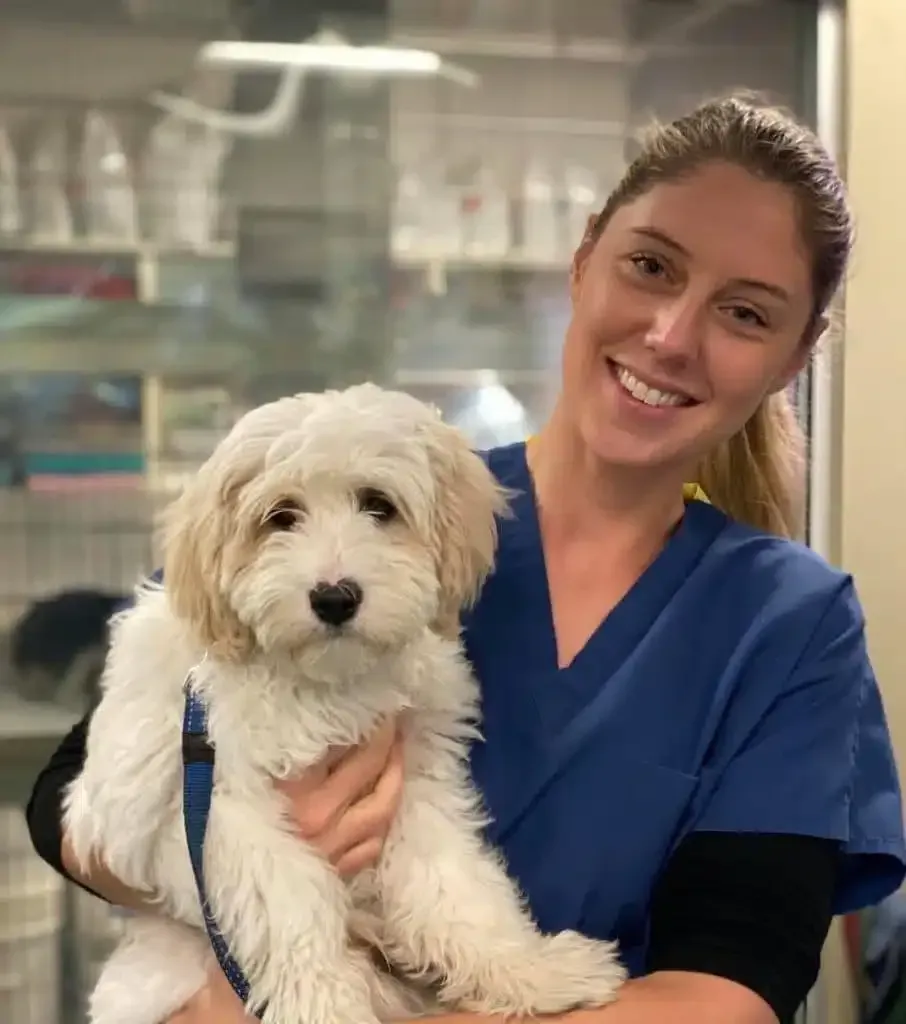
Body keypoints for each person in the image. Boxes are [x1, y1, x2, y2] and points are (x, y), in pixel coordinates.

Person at [26, 95, 906, 1024]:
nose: (672, 336)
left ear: (793, 359)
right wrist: (218, 883)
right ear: (582, 262)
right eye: (651, 266)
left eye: (744, 313)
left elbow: (730, 991)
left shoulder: (790, 626)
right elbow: (79, 795)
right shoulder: (386, 501)